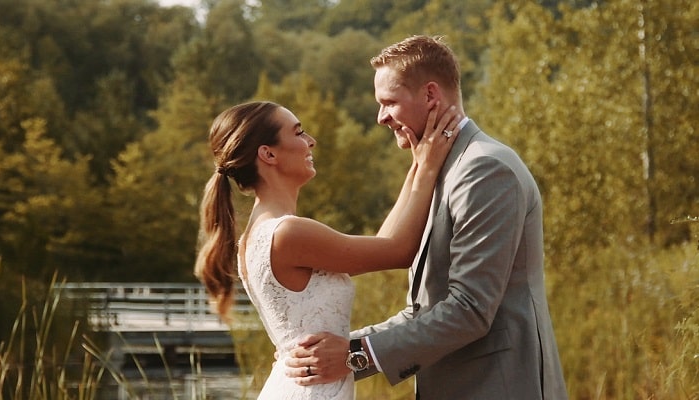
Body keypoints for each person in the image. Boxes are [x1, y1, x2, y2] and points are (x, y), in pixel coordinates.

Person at [285, 35, 569, 399]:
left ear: (431, 95)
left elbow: (469, 310)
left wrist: (354, 356)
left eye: (389, 102)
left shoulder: (483, 169)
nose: (380, 117)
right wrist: (335, 350)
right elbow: (423, 310)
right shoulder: (442, 169)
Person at [194, 100, 461, 399]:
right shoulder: (289, 233)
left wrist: (417, 166)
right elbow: (399, 251)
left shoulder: (259, 234)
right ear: (268, 154)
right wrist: (427, 168)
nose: (311, 141)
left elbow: (383, 244)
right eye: (298, 133)